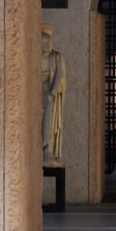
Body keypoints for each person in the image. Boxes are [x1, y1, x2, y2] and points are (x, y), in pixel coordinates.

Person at [42, 24, 67, 166]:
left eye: (49, 42)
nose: (47, 46)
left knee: (49, 119)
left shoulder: (56, 57)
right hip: (35, 94)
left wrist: (52, 93)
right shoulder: (32, 56)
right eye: (44, 43)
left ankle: (47, 150)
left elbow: (60, 77)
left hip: (49, 95)